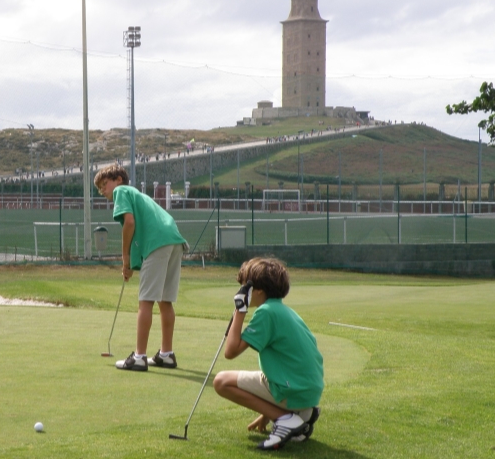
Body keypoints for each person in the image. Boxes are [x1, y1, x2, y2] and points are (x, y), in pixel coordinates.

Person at [213, 257, 324, 451]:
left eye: (244, 287)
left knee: (221, 381)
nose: (241, 291)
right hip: (308, 391)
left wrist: (240, 310)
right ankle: (301, 415)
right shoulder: (285, 311)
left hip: (293, 390)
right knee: (263, 375)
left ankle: (285, 419)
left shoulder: (265, 312)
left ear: (257, 290)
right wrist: (266, 414)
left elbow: (230, 351)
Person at [94, 164, 188, 372]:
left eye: (104, 184)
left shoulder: (122, 191)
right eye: (100, 189)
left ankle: (139, 356)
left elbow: (129, 223)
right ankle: (166, 354)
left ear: (118, 179)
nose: (103, 191)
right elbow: (140, 233)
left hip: (159, 242)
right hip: (174, 240)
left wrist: (124, 256)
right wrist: (129, 266)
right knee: (165, 301)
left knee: (145, 301)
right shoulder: (137, 195)